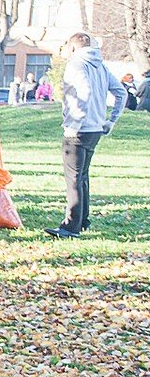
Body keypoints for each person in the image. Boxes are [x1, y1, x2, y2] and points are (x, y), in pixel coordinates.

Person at [45, 32, 126, 239]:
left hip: (78, 130)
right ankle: (82, 221)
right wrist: (111, 120)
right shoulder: (101, 66)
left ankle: (70, 227)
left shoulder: (76, 64)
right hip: (96, 128)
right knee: (82, 176)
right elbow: (121, 93)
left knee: (73, 178)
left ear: (73, 47)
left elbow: (84, 91)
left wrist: (75, 121)